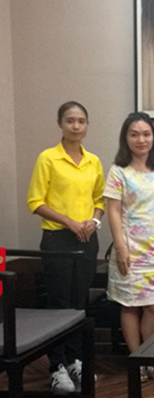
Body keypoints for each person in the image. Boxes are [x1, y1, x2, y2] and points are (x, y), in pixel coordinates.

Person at [26, 101, 105, 395]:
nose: (76, 126)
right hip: (57, 239)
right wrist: (70, 222)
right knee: (58, 303)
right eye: (70, 120)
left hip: (86, 240)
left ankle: (74, 360)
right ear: (60, 123)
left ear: (87, 125)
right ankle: (56, 366)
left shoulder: (93, 161)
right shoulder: (48, 158)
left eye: (81, 121)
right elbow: (35, 202)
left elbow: (100, 200)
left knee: (78, 302)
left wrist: (93, 222)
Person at [104, 112, 154, 383]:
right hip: (128, 250)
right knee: (129, 306)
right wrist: (121, 247)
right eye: (134, 134)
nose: (141, 139)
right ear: (126, 138)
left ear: (153, 137)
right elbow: (113, 211)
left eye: (146, 134)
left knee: (153, 307)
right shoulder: (118, 171)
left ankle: (152, 357)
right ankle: (137, 359)